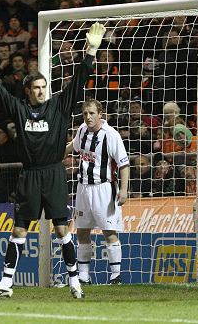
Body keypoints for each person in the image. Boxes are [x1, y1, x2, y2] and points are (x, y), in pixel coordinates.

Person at [0, 22, 106, 299]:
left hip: (53, 174)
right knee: (19, 229)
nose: (41, 91)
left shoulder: (59, 107)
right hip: (29, 176)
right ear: (27, 91)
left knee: (62, 230)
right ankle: (5, 283)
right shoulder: (19, 109)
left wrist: (92, 50)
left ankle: (75, 282)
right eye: (36, 87)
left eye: (43, 87)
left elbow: (78, 80)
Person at [67, 99, 129, 285]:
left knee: (109, 232)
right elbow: (73, 146)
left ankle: (115, 276)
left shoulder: (111, 135)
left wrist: (124, 190)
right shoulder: (82, 130)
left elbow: (124, 164)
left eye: (92, 113)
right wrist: (55, 155)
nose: (88, 117)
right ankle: (84, 276)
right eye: (85, 113)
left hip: (104, 188)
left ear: (100, 114)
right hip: (83, 188)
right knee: (82, 232)